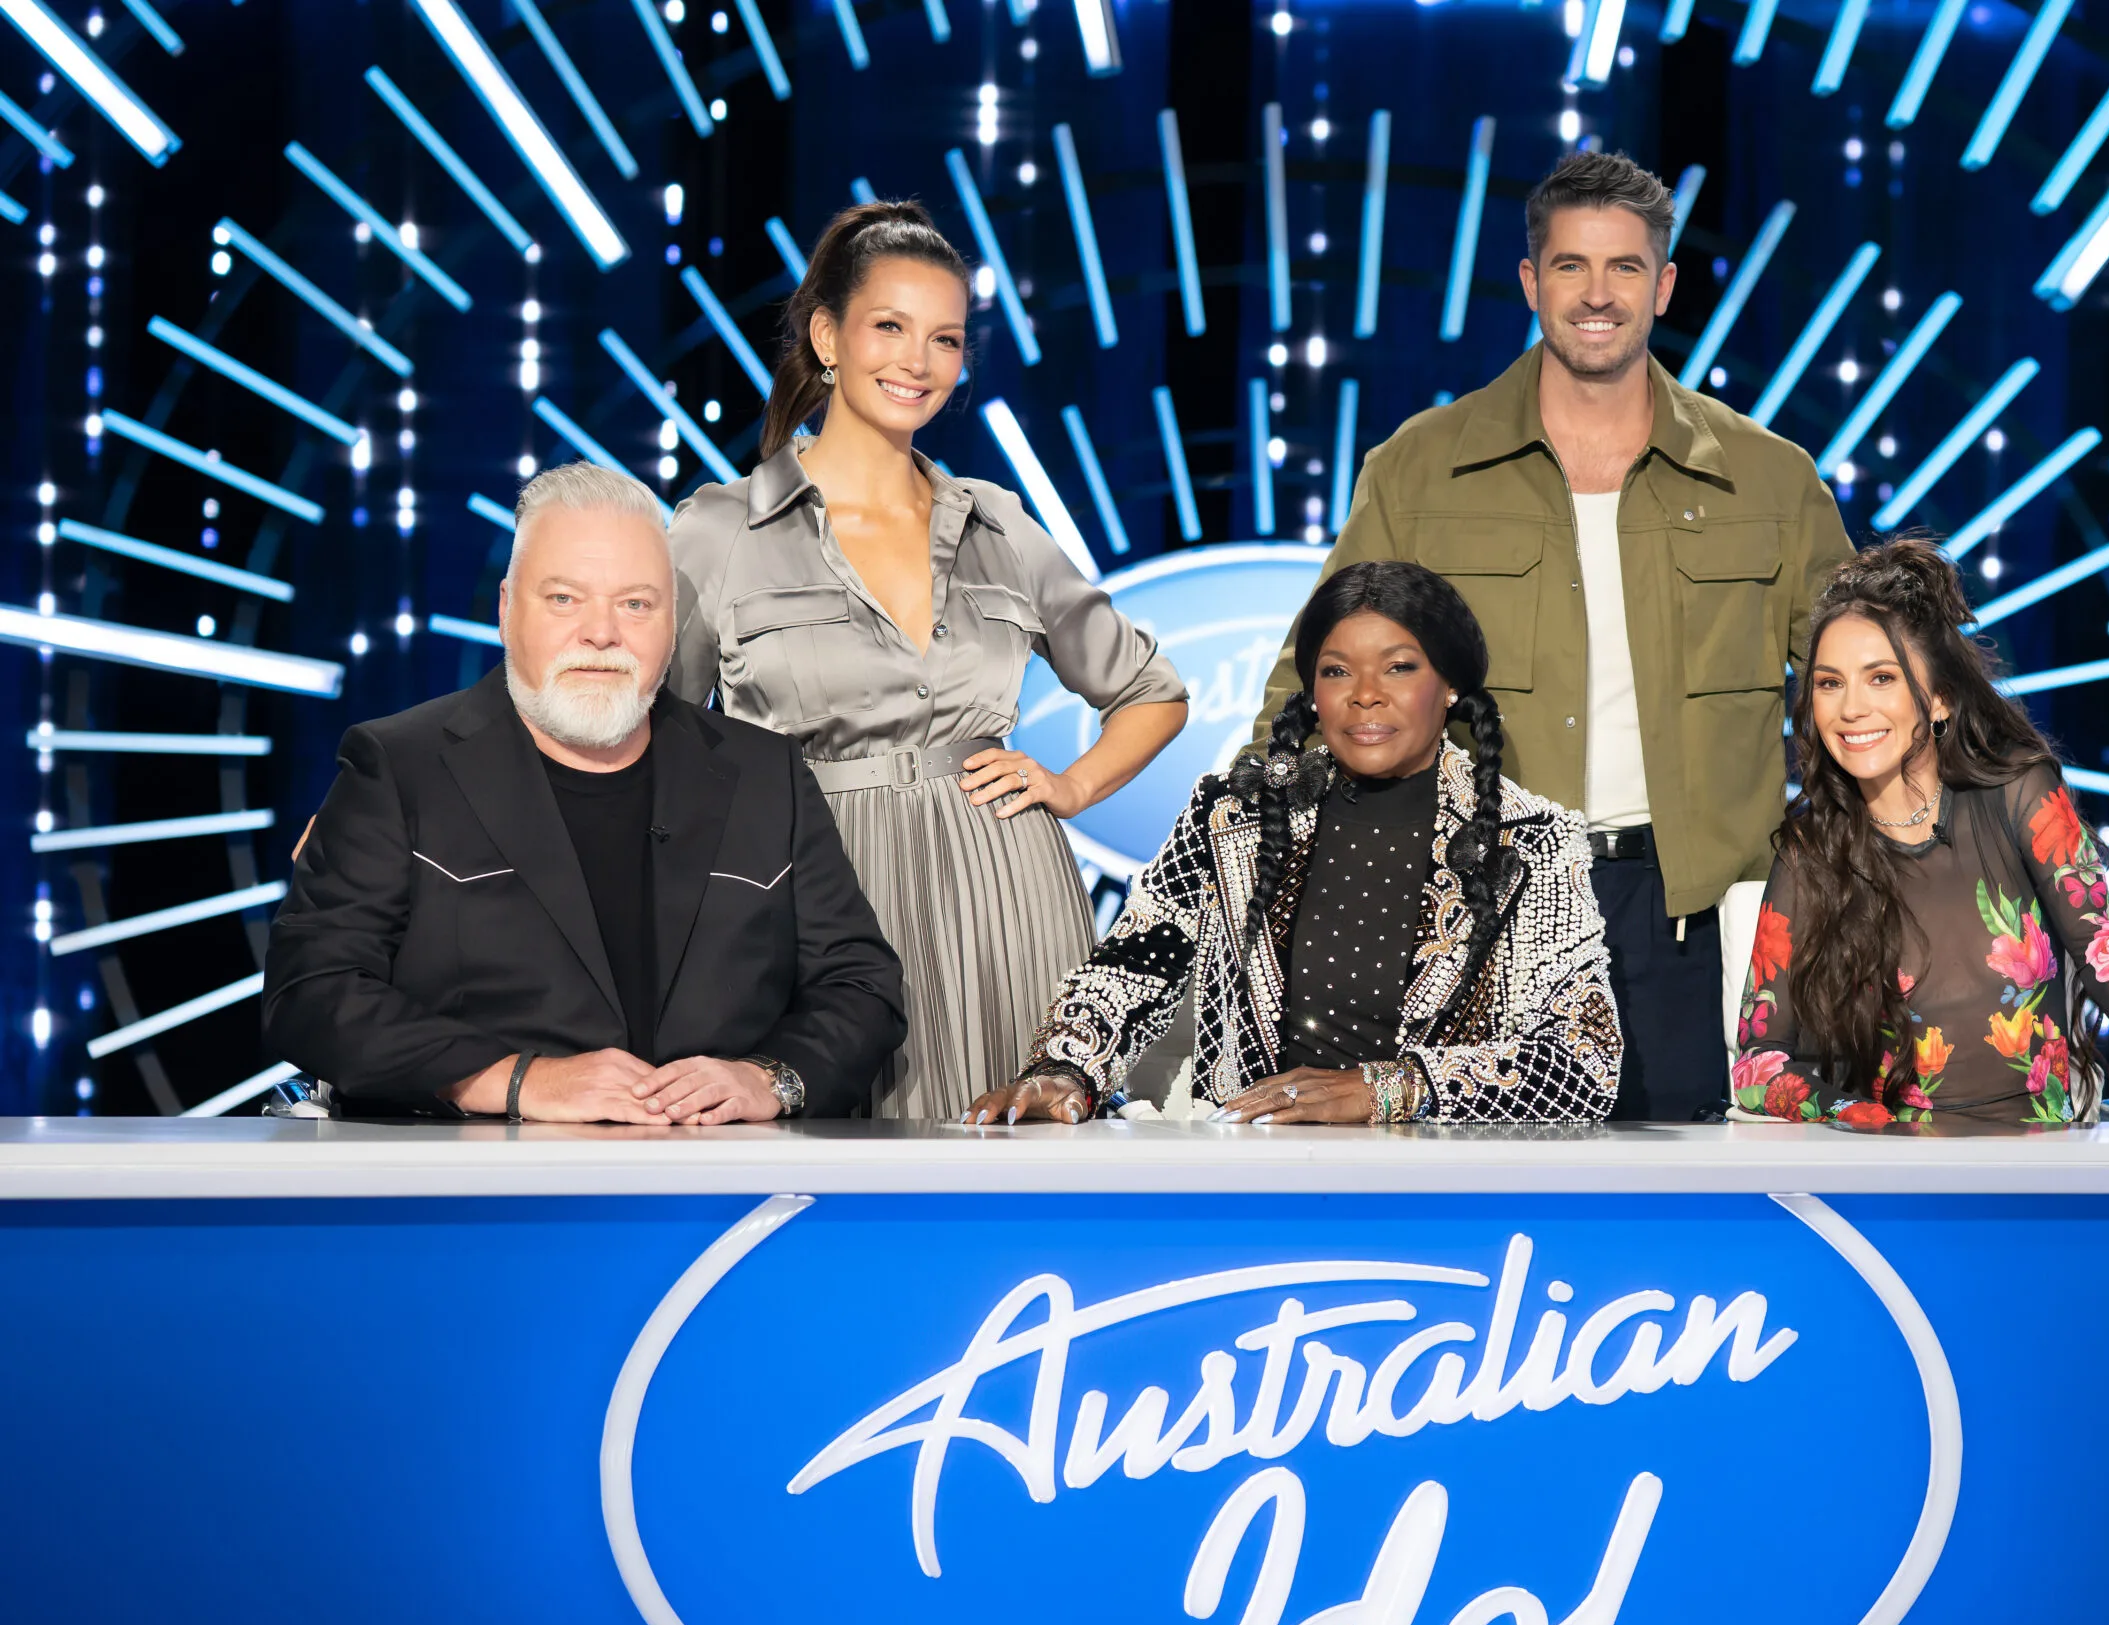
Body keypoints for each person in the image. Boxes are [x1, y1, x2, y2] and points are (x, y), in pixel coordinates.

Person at [1263, 150, 1852, 1123]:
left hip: (1690, 913)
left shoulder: (1768, 479)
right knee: (1479, 1204)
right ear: (1532, 281)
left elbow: (1871, 682)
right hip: (1476, 912)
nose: (1597, 293)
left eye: (1624, 267)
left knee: (1691, 1209)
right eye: (1571, 266)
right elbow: (1314, 678)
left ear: (1662, 285)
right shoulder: (1420, 467)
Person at [668, 201, 1188, 1119]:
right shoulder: (722, 529)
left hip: (1003, 899)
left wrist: (1067, 788)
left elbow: (1152, 690)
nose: (918, 361)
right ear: (827, 335)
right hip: (807, 895)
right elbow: (656, 746)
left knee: (1015, 1197)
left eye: (945, 339)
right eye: (890, 328)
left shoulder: (999, 525)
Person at [263, 463, 907, 1123]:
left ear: (672, 621)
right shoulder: (398, 766)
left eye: (635, 604)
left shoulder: (767, 772)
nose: (602, 633)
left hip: (720, 1186)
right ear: (508, 610)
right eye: (565, 599)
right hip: (470, 1190)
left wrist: (769, 1080)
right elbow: (311, 993)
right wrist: (517, 1082)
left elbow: (861, 988)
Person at [966, 562, 1621, 1126]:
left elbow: (1584, 1059)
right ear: (1312, 693)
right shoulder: (1232, 817)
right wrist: (1064, 1070)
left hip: (1445, 1189)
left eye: (1398, 667)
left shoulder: (1532, 842)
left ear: (1448, 686)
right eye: (1338, 672)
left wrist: (1388, 1091)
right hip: (1253, 1174)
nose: (1365, 696)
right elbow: (1136, 963)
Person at [1730, 537, 2109, 1133]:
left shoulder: (2021, 791)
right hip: (1893, 1170)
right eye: (1829, 683)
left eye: (1881, 678)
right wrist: (1854, 1113)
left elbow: (2104, 957)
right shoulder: (1810, 847)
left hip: (2043, 1162)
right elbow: (1756, 1066)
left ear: (1940, 698)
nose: (1850, 708)